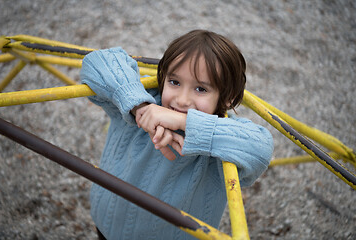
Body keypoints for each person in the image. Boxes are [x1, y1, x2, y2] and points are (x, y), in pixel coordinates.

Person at [81, 29, 273, 240]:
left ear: (227, 98)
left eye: (200, 89)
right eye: (175, 82)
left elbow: (261, 147)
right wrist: (140, 106)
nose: (182, 100)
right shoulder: (142, 101)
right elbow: (97, 61)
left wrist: (184, 122)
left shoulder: (223, 137)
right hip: (107, 225)